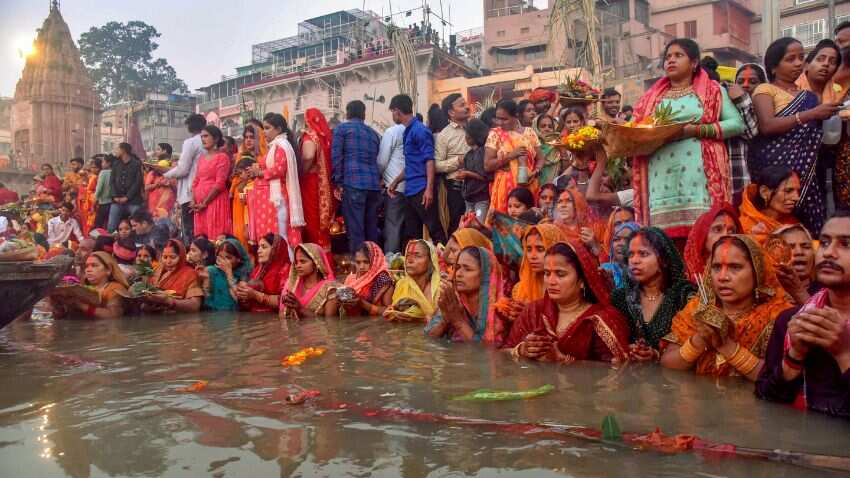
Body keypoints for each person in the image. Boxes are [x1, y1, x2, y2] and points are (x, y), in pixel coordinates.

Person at [632, 38, 744, 243]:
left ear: (694, 63)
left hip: (700, 180)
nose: (671, 61)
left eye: (678, 55)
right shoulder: (650, 98)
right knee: (665, 245)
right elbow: (633, 131)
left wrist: (697, 130)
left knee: (704, 239)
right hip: (660, 181)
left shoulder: (713, 91)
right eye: (667, 57)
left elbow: (737, 124)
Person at [756, 211, 850, 419]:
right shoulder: (794, 320)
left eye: (845, 245)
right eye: (824, 243)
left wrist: (844, 353)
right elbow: (766, 401)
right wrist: (794, 357)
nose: (829, 253)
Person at [661, 235, 792, 379]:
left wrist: (726, 345)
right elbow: (667, 364)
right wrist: (700, 339)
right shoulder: (697, 309)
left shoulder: (777, 316)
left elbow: (778, 378)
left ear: (757, 272)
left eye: (735, 267)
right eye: (716, 267)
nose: (722, 277)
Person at [750, 37, 840, 236]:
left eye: (801, 58)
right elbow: (767, 125)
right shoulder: (765, 90)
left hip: (806, 175)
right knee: (775, 227)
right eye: (790, 59)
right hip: (774, 169)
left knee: (807, 231)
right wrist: (811, 115)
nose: (799, 63)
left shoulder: (810, 96)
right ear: (774, 67)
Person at [504, 241, 629, 363]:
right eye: (547, 273)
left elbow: (619, 372)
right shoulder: (534, 311)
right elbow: (503, 355)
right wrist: (522, 350)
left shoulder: (602, 319)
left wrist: (562, 361)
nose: (551, 281)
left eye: (560, 274)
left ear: (581, 281)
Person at [611, 227, 697, 358]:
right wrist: (626, 350)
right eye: (630, 255)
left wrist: (657, 354)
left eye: (643, 254)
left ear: (664, 259)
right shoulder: (620, 298)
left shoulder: (684, 296)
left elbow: (694, 346)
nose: (634, 261)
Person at [388, 94, 446, 244]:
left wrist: (429, 189)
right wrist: (395, 182)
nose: (392, 116)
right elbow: (412, 165)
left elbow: (429, 160)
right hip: (411, 190)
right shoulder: (408, 131)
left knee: (435, 230)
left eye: (392, 112)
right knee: (413, 234)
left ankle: (447, 264)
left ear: (397, 111)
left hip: (421, 189)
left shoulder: (419, 130)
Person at [427, 246, 506, 344]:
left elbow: (486, 351)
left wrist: (458, 321)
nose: (458, 274)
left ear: (486, 275)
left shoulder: (502, 311)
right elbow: (428, 340)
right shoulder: (453, 300)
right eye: (457, 268)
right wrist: (445, 320)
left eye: (467, 269)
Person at [332, 100, 382, 252]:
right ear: (364, 114)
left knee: (355, 229)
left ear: (347, 113)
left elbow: (336, 156)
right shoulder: (373, 134)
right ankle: (374, 262)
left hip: (353, 183)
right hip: (373, 184)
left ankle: (359, 268)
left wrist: (338, 181)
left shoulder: (342, 129)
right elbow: (377, 158)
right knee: (371, 227)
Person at [250, 113, 304, 250]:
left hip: (277, 197)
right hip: (270, 198)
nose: (264, 132)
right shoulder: (275, 146)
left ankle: (283, 265)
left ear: (279, 129)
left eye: (267, 128)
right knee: (272, 232)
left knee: (279, 232)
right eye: (263, 128)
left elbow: (280, 169)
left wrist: (260, 172)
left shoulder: (282, 145)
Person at [484, 99, 543, 218]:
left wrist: (536, 172)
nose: (500, 122)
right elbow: (487, 165)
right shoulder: (495, 134)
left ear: (515, 116)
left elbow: (541, 159)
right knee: (504, 227)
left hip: (529, 185)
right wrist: (510, 156)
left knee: (528, 223)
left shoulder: (529, 133)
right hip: (505, 189)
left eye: (504, 119)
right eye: (497, 118)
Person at [434, 93, 471, 237]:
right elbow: (436, 165)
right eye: (462, 105)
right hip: (456, 188)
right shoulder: (444, 135)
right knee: (457, 225)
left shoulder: (476, 126)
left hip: (478, 184)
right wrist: (457, 162)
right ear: (451, 112)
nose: (467, 107)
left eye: (466, 103)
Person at [165, 113, 206, 240]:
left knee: (189, 231)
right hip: (204, 191)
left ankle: (189, 255)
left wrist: (165, 174)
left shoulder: (191, 142)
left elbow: (183, 169)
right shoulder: (207, 141)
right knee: (201, 230)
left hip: (189, 192)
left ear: (189, 126)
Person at [726, 66, 763, 205]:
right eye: (740, 81)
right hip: (734, 181)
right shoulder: (727, 108)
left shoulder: (766, 109)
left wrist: (741, 98)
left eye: (753, 81)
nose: (745, 85)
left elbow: (751, 132)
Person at [53, 252, 128, 319]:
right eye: (87, 266)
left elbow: (113, 315)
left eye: (94, 265)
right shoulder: (80, 288)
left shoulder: (115, 288)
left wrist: (81, 305)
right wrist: (59, 305)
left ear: (108, 270)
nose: (88, 270)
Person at [300, 108, 335, 250]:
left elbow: (308, 155)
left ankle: (317, 258)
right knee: (322, 223)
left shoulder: (310, 136)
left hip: (311, 182)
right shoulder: (325, 137)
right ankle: (326, 257)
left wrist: (304, 169)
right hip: (325, 183)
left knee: (313, 221)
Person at [738, 165, 801, 242]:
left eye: (798, 191)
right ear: (764, 192)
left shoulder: (793, 224)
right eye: (788, 191)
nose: (796, 198)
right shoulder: (743, 227)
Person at [139, 239, 203, 314]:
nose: (168, 262)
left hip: (179, 322)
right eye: (165, 257)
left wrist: (168, 301)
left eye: (172, 257)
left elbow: (195, 305)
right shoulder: (156, 272)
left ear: (181, 257)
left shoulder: (190, 274)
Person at [383, 240, 441, 322]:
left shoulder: (440, 288)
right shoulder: (401, 284)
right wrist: (392, 312)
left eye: (417, 256)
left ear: (430, 261)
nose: (410, 260)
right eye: (408, 255)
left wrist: (420, 318)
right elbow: (395, 309)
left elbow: (443, 322)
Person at [191, 125, 232, 239]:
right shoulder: (201, 159)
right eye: (202, 137)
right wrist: (193, 201)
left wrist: (205, 202)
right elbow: (196, 181)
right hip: (199, 206)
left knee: (215, 238)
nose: (203, 139)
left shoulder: (222, 157)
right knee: (201, 240)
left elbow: (219, 184)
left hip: (215, 202)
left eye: (206, 136)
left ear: (216, 138)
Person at [683, 202, 742, 281]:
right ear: (702, 237)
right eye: (717, 229)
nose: (726, 235)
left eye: (731, 231)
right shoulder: (688, 284)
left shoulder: (744, 272)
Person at [280, 243, 340, 319]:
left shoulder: (330, 289)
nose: (298, 265)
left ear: (316, 263)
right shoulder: (292, 285)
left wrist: (300, 309)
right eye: (296, 262)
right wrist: (288, 308)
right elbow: (282, 317)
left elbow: (329, 323)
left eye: (303, 261)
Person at [512, 224, 568, 304]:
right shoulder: (520, 290)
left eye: (540, 249)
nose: (533, 256)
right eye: (529, 249)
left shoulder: (568, 290)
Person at [236, 233, 289, 313]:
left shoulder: (285, 270)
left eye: (263, 247)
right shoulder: (257, 270)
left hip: (275, 320)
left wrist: (255, 295)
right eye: (258, 247)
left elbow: (285, 300)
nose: (258, 251)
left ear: (276, 249)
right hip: (255, 319)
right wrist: (243, 293)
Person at [377, 119, 407, 254]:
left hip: (393, 186)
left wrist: (379, 177)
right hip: (411, 185)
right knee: (404, 226)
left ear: (396, 112)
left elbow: (382, 161)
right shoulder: (412, 130)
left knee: (393, 226)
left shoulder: (392, 131)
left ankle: (391, 262)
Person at [341, 241, 395, 316]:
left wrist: (362, 303)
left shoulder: (383, 280)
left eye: (366, 262)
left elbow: (390, 312)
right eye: (358, 262)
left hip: (375, 325)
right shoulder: (350, 279)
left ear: (375, 261)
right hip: (352, 324)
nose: (361, 267)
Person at [200, 238, 253, 312]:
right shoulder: (211, 271)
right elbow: (206, 301)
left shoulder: (245, 274)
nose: (223, 261)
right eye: (220, 257)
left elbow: (242, 302)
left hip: (236, 319)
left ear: (238, 259)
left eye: (228, 258)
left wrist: (229, 274)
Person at [774, 224, 818, 305]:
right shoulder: (765, 294)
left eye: (806, 247)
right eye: (790, 247)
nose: (799, 252)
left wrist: (799, 293)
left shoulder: (828, 291)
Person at [831, 22, 850, 211]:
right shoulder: (834, 74)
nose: (840, 48)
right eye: (838, 43)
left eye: (843, 43)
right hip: (843, 153)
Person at [458, 118, 491, 225]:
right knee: (468, 226)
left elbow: (484, 177)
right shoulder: (469, 154)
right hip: (469, 198)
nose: (466, 136)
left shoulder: (481, 152)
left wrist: (467, 173)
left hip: (480, 197)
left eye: (468, 134)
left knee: (478, 226)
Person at [108, 143, 144, 232]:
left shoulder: (136, 164)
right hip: (117, 200)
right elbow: (111, 182)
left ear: (123, 150)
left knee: (138, 224)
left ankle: (137, 243)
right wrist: (115, 196)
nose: (115, 151)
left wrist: (127, 197)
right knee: (111, 226)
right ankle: (112, 244)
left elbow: (137, 183)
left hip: (133, 201)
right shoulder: (116, 164)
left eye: (117, 149)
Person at [599, 221, 640, 289]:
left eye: (627, 239)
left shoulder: (644, 272)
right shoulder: (606, 269)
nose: (620, 244)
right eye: (616, 239)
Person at [145, 143, 176, 221]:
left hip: (169, 207)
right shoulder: (153, 172)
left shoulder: (176, 169)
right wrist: (158, 184)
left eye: (158, 149)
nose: (156, 152)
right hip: (153, 207)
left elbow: (178, 187)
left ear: (164, 151)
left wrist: (171, 183)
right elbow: (146, 187)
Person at [532, 114, 565, 187]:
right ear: (536, 128)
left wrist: (562, 151)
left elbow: (565, 169)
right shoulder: (531, 144)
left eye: (550, 127)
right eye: (543, 126)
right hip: (534, 185)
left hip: (554, 187)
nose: (547, 129)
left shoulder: (558, 143)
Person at [230, 158, 255, 250]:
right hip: (245, 218)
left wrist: (241, 190)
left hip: (250, 218)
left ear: (248, 171)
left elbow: (245, 200)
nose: (239, 176)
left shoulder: (253, 184)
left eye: (241, 173)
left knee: (250, 242)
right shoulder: (245, 184)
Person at [94, 155, 113, 230]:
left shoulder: (103, 172)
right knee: (109, 223)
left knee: (98, 224)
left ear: (108, 163)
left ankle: (96, 239)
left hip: (103, 203)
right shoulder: (115, 171)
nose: (102, 164)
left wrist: (95, 199)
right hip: (113, 203)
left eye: (103, 162)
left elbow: (99, 188)